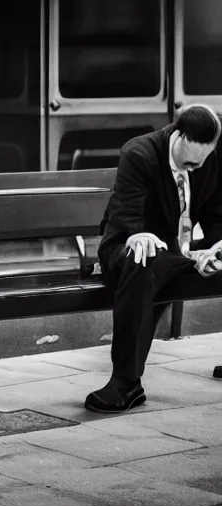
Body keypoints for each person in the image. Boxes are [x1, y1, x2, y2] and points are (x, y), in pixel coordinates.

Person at [85, 104, 222, 414]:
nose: (193, 169)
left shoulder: (212, 157)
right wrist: (137, 234)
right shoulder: (139, 153)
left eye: (200, 163)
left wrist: (216, 249)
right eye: (188, 162)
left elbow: (216, 213)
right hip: (130, 246)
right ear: (178, 135)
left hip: (180, 252)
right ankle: (125, 383)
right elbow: (126, 217)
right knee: (143, 258)